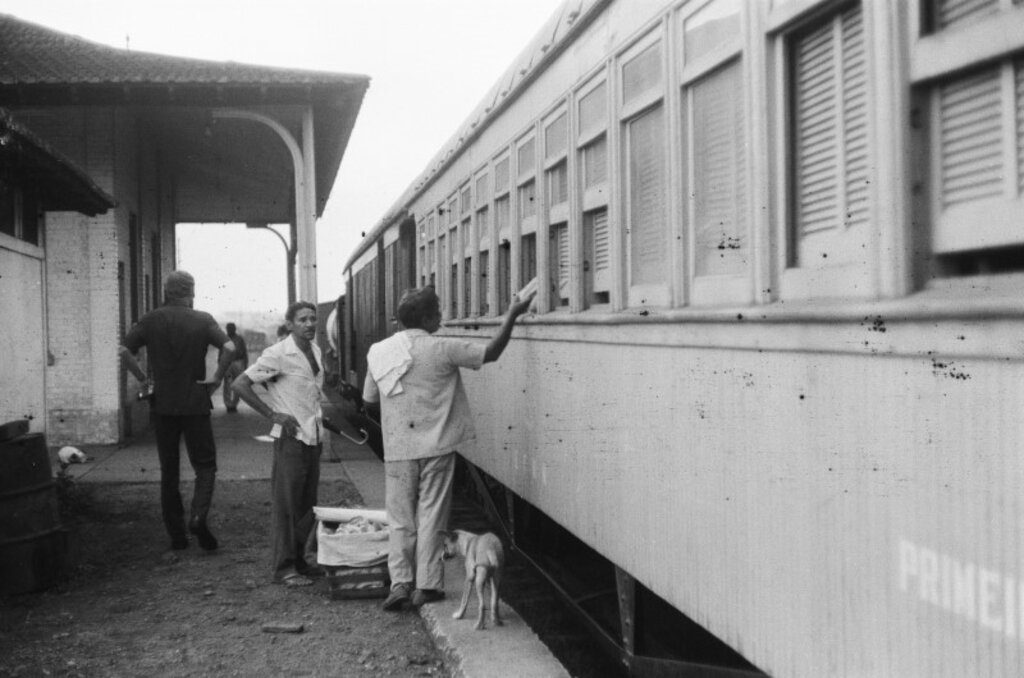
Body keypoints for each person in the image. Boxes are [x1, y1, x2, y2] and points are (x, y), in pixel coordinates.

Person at [362, 285, 535, 611]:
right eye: (438, 312)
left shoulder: (379, 351)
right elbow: (492, 352)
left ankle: (399, 583)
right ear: (427, 318)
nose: (441, 317)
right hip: (437, 448)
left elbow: (368, 401)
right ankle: (427, 586)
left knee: (400, 518)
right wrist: (512, 314)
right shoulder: (443, 348)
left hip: (398, 449)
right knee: (432, 517)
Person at [121, 270, 236, 551]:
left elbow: (123, 351)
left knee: (169, 470)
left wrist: (143, 378)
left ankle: (177, 536)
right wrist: (217, 376)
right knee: (205, 465)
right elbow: (230, 347)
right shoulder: (203, 319)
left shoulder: (150, 319)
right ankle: (198, 516)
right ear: (191, 292)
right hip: (196, 402)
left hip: (163, 405)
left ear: (166, 290)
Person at [231, 301, 326, 587]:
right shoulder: (278, 354)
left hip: (313, 436)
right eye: (302, 320)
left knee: (307, 505)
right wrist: (272, 414)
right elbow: (239, 384)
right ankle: (283, 568)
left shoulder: (316, 351)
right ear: (289, 324)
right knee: (287, 505)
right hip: (290, 439)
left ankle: (299, 562)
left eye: (313, 319)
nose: (309, 324)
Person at [220, 322, 248, 413]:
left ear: (234, 329)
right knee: (227, 384)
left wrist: (245, 364)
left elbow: (244, 352)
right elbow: (220, 352)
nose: (230, 330)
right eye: (229, 328)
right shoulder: (224, 339)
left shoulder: (239, 339)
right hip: (228, 363)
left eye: (231, 328)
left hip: (238, 362)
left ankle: (234, 404)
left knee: (237, 384)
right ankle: (229, 405)